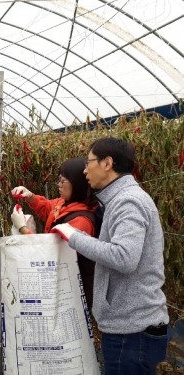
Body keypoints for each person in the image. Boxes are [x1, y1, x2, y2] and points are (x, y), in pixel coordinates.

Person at [51, 137, 170, 374]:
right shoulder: (119, 199)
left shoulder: (128, 201)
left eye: (89, 162)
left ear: (107, 163)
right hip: (130, 327)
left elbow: (125, 257)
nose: (85, 170)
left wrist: (74, 237)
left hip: (132, 331)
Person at [10, 157, 98, 310]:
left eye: (63, 181)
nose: (59, 185)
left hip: (73, 290)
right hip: (61, 282)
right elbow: (48, 207)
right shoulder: (65, 203)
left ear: (77, 184)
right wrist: (30, 197)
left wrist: (23, 228)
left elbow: (54, 253)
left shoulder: (82, 221)